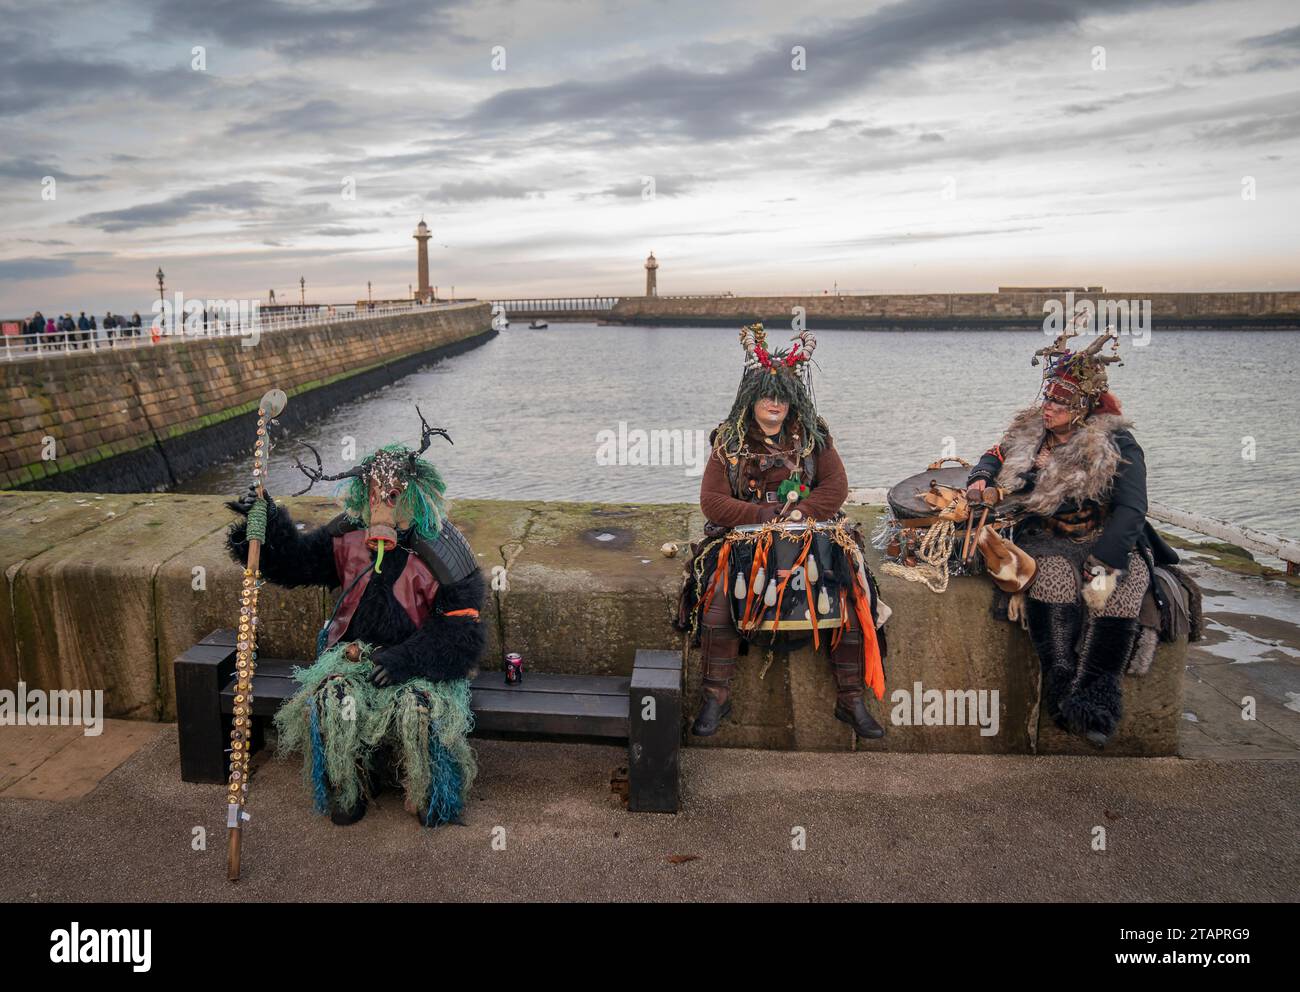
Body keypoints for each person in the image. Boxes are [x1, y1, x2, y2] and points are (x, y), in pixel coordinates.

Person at [226, 411, 484, 826]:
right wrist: (266, 526)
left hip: (415, 663)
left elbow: (462, 635)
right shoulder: (346, 538)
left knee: (417, 708)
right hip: (350, 655)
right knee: (332, 698)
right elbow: (295, 565)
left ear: (414, 496)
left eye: (394, 496)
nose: (382, 507)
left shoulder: (444, 553)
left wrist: (405, 660)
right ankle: (350, 784)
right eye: (375, 495)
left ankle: (426, 790)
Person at [964, 326, 1179, 748]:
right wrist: (980, 479)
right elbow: (993, 454)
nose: (1049, 408)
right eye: (1049, 398)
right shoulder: (1028, 435)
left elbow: (1132, 508)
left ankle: (1098, 700)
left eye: (1059, 403)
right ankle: (1062, 692)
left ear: (1081, 407)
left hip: (1104, 536)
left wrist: (1105, 560)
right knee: (1053, 581)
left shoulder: (1115, 445)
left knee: (1119, 587)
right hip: (1044, 535)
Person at [676, 323, 889, 739]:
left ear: (792, 403)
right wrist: (768, 516)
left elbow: (837, 488)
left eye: (783, 398)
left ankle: (851, 699)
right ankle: (716, 696)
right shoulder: (730, 442)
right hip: (745, 541)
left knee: (850, 590)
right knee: (718, 598)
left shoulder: (814, 437)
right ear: (752, 399)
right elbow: (712, 502)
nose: (774, 403)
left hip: (810, 533)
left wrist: (802, 514)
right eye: (767, 396)